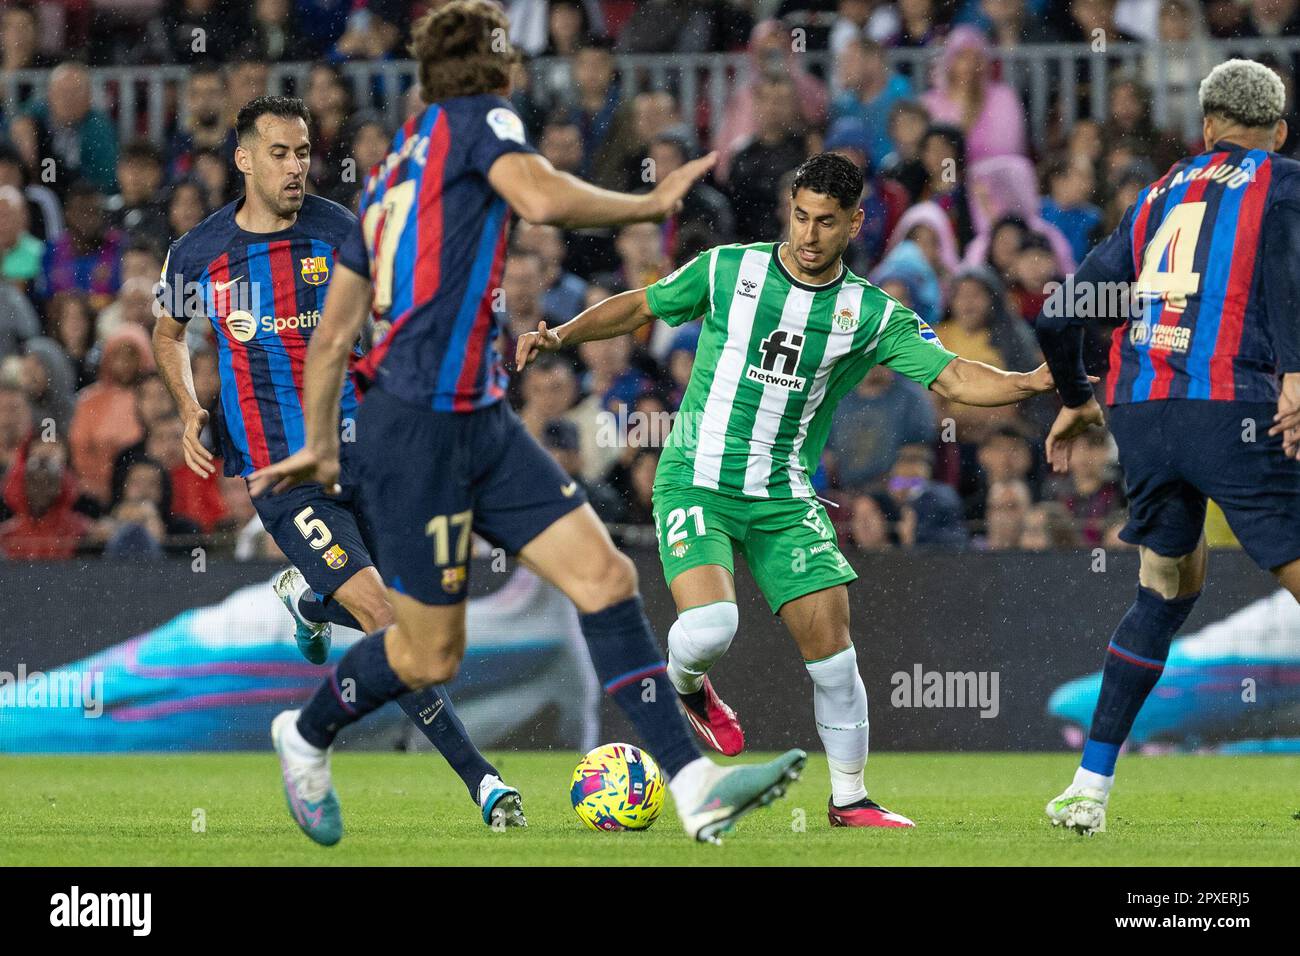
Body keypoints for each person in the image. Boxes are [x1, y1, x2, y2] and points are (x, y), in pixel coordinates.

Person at [246, 0, 806, 848]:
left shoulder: (401, 160)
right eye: (503, 49)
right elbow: (540, 197)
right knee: (427, 654)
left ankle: (695, 788)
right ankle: (308, 730)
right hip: (420, 427)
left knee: (606, 578)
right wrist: (647, 203)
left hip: (475, 416)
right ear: (485, 65)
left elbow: (332, 334)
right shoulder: (477, 118)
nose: (514, 62)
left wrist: (323, 438)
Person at [517, 151, 1057, 827]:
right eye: (799, 217)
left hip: (783, 496)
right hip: (695, 480)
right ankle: (687, 685)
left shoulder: (866, 313)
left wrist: (1028, 383)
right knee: (713, 626)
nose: (807, 235)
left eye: (825, 223)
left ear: (855, 222)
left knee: (836, 658)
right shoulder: (729, 268)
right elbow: (641, 306)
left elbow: (950, 378)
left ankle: (850, 800)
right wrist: (562, 333)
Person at [152, 94, 526, 833]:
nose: (298, 167)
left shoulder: (340, 230)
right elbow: (167, 333)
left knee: (424, 626)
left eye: (303, 153)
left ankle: (309, 601)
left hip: (374, 459)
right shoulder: (198, 253)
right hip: (285, 478)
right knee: (390, 622)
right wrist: (191, 407)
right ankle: (483, 782)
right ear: (245, 159)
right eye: (282, 154)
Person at [1036, 60, 1300, 835]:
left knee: (1164, 591)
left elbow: (1061, 315)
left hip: (1144, 414)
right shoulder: (1282, 182)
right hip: (1233, 406)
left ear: (1207, 125)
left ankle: (1089, 787)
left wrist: (1078, 399)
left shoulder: (1156, 196)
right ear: (1278, 132)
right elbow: (1286, 273)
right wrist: (1293, 370)